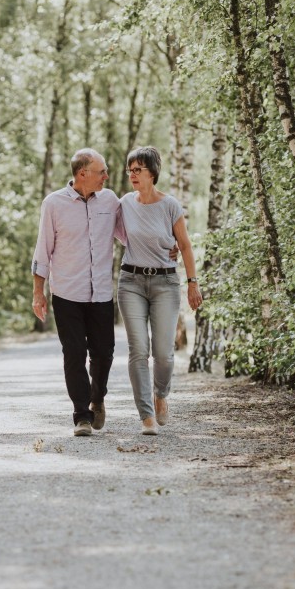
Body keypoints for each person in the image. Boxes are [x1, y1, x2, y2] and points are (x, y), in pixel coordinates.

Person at [31, 148, 126, 436]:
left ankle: (98, 399)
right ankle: (82, 415)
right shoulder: (54, 204)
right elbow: (42, 250)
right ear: (82, 173)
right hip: (67, 293)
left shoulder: (110, 201)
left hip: (100, 293)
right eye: (102, 172)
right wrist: (38, 292)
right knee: (74, 352)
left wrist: (165, 245)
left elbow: (128, 235)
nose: (106, 177)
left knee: (104, 353)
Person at [117, 146, 203, 436]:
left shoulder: (170, 206)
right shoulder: (125, 203)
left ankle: (161, 394)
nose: (132, 175)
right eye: (130, 170)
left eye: (138, 170)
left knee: (163, 353)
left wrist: (193, 282)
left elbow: (186, 245)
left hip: (166, 283)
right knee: (138, 349)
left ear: (152, 173)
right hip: (131, 282)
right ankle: (146, 416)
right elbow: (113, 231)